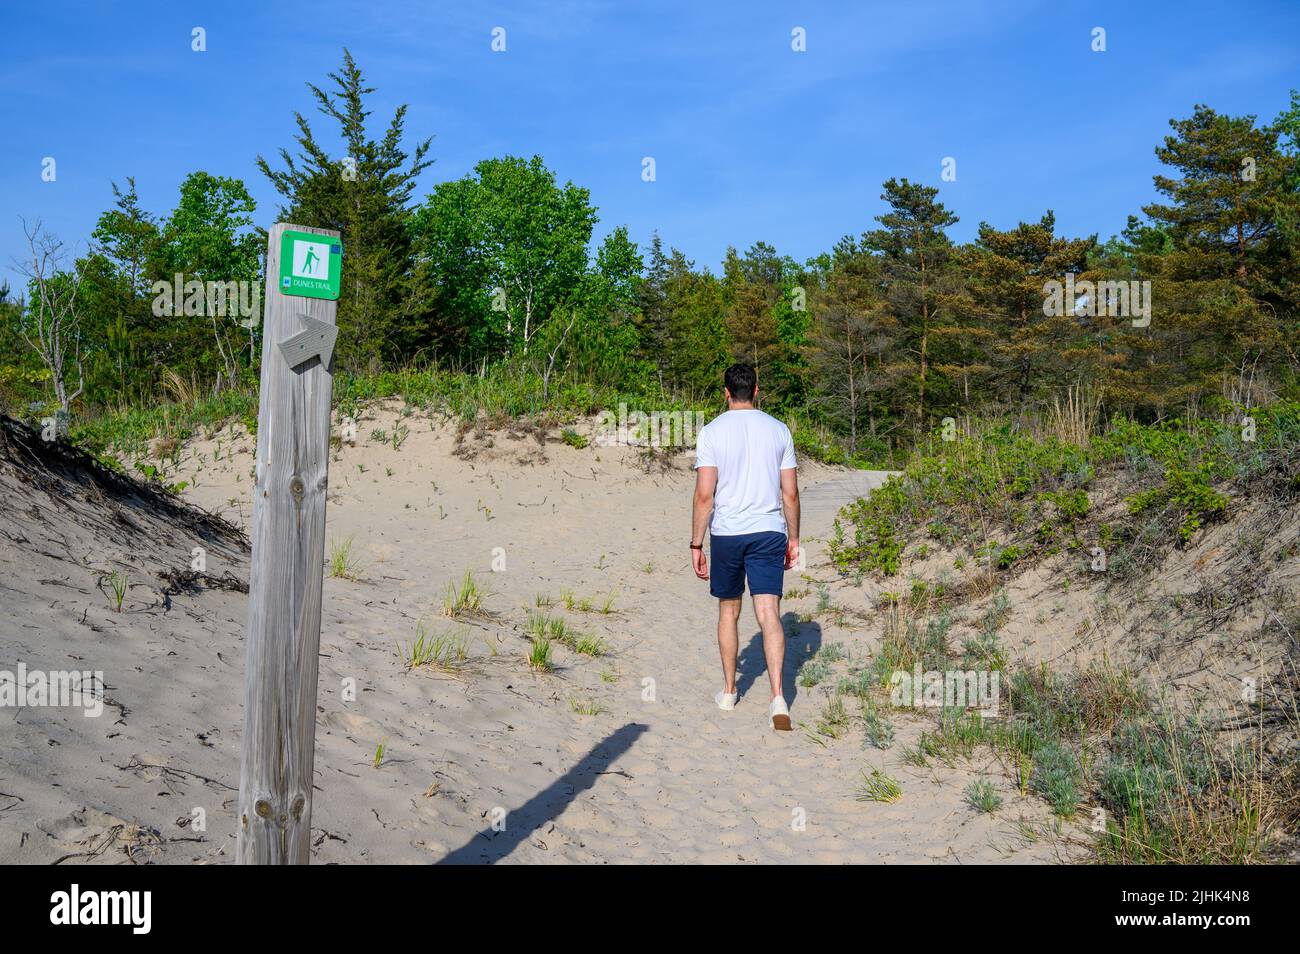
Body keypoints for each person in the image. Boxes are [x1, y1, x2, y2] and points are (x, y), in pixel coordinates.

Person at [690, 363, 800, 730]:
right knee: (769, 612)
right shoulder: (779, 430)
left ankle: (728, 690)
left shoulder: (711, 432)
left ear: (725, 393)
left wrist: (696, 543)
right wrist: (794, 538)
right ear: (756, 391)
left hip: (728, 533)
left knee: (728, 612)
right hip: (769, 530)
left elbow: (705, 494)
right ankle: (778, 697)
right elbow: (790, 493)